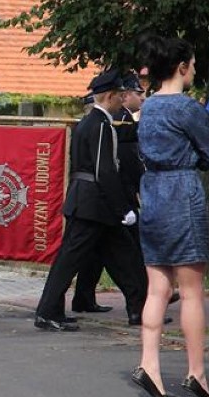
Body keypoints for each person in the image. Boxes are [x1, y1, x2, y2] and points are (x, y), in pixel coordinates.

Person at [131, 35, 209, 397]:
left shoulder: (148, 107)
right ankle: (196, 373)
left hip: (152, 193)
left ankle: (149, 365)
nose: (194, 70)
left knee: (157, 287)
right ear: (181, 67)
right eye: (193, 64)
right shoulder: (186, 108)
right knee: (193, 291)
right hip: (182, 192)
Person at [34, 69, 146, 331]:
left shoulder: (92, 122)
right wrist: (122, 208)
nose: (122, 99)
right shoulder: (100, 125)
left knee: (126, 257)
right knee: (69, 260)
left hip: (94, 204)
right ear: (109, 96)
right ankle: (48, 312)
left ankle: (139, 308)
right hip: (92, 204)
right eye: (119, 95)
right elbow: (104, 170)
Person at [71, 73, 151, 324]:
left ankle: (134, 303)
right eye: (138, 93)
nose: (141, 98)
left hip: (103, 199)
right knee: (126, 254)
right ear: (118, 95)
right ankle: (140, 304)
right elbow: (115, 165)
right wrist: (123, 203)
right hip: (111, 197)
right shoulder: (108, 122)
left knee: (101, 253)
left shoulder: (108, 120)